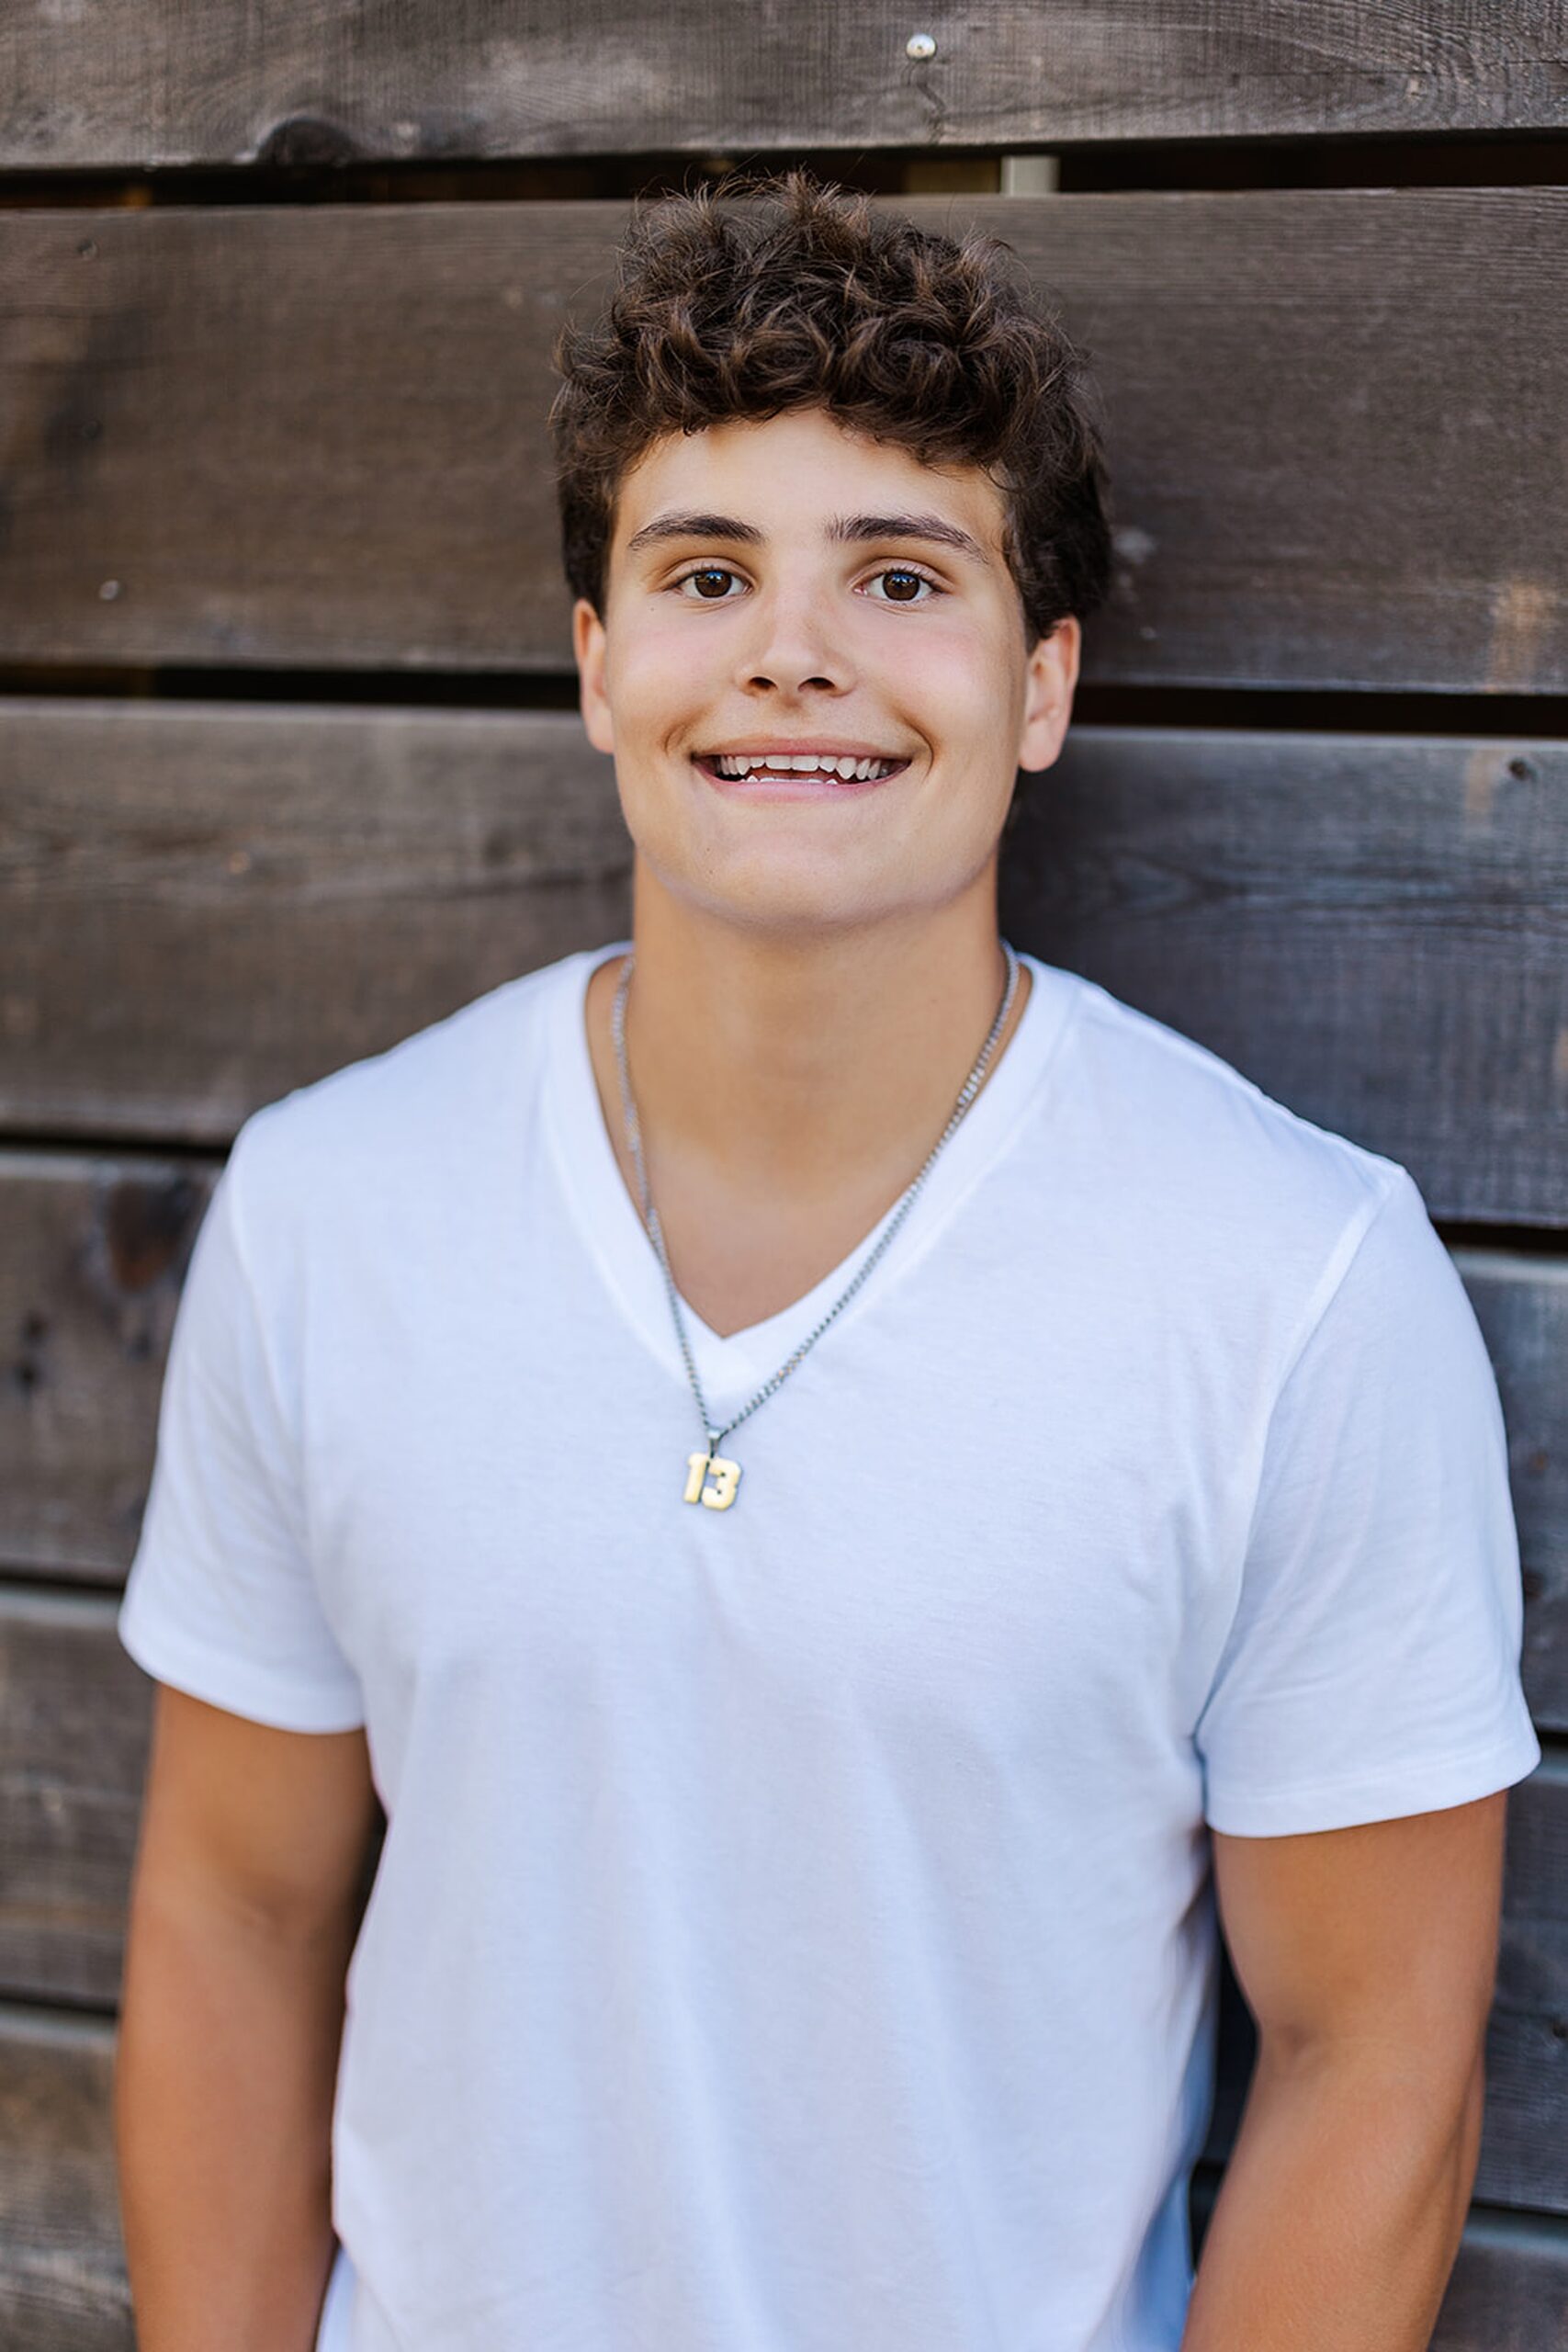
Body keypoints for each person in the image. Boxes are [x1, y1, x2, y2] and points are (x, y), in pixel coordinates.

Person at [114, 170, 1540, 2352]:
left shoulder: (1292, 1284)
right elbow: (232, 1903)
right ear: (599, 669)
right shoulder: (329, 1211)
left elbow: (1374, 2065)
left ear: (1037, 681)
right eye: (705, 572)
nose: (792, 647)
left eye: (897, 573)